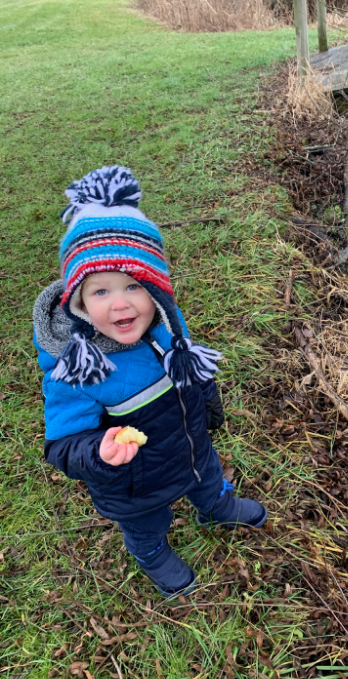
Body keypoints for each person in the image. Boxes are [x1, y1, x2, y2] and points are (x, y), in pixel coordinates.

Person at [33, 165, 267, 598]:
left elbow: (190, 371)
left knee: (207, 475)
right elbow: (62, 445)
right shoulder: (78, 368)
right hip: (137, 481)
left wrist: (207, 404)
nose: (120, 304)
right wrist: (98, 451)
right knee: (147, 521)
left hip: (191, 443)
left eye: (133, 286)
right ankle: (151, 552)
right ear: (78, 300)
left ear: (156, 290)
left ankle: (215, 507)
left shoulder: (167, 327)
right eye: (100, 291)